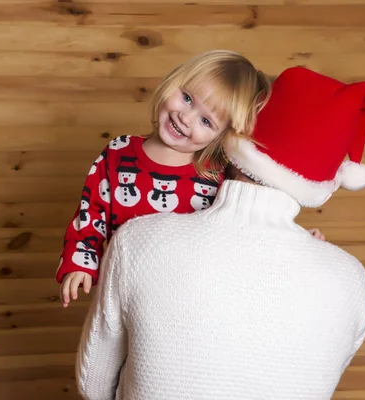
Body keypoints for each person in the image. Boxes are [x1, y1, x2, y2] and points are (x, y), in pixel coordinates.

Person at [75, 66, 365, 399]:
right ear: (328, 179)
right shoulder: (351, 278)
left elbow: (95, 385)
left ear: (232, 137)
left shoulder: (137, 242)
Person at [56, 50, 325, 308]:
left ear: (222, 136)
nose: (185, 118)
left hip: (193, 294)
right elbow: (91, 214)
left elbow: (250, 221)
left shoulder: (219, 172)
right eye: (187, 98)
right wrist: (80, 263)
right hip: (125, 290)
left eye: (206, 122)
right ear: (174, 81)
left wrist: (298, 238)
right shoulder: (118, 153)